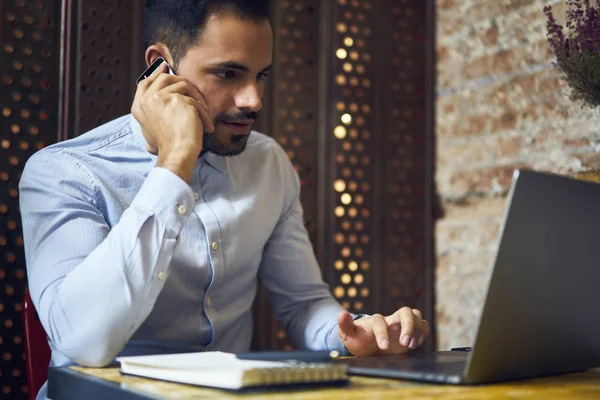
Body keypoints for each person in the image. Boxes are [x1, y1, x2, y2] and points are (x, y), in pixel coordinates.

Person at [19, 1, 429, 398]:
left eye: (261, 76)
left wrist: (357, 333)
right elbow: (82, 343)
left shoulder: (268, 164)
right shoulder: (65, 171)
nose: (254, 100)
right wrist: (175, 161)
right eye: (228, 74)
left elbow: (303, 305)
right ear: (161, 66)